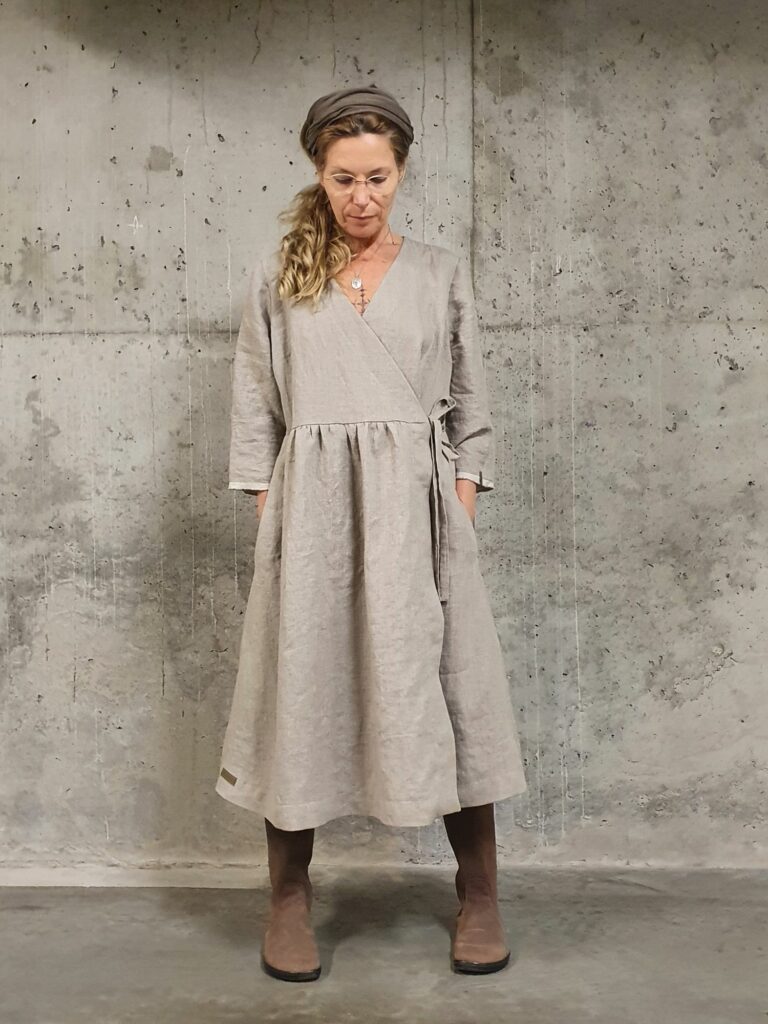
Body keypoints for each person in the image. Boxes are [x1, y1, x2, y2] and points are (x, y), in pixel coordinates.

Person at [216, 85, 528, 982]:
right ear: (318, 174)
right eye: (344, 178)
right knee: (301, 690)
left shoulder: (438, 272)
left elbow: (471, 402)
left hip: (418, 517)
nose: (361, 197)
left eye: (378, 178)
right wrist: (271, 510)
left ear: (401, 173)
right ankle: (287, 899)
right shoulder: (280, 273)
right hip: (312, 514)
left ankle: (479, 894)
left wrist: (460, 498)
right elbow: (256, 401)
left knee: (450, 689)